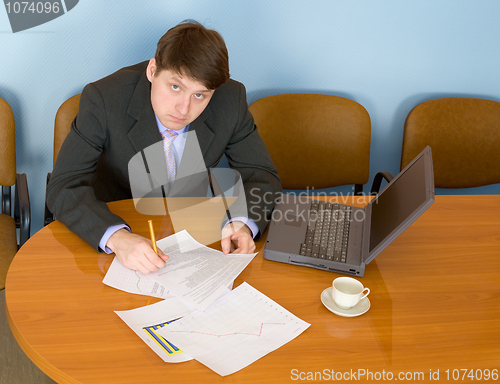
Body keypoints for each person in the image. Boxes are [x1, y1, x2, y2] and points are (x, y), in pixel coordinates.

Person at [47, 21, 281, 275]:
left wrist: (243, 223)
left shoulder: (231, 100)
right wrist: (117, 238)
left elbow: (261, 174)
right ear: (152, 70)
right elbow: (64, 185)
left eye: (200, 95)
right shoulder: (103, 99)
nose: (184, 109)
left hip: (193, 234)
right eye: (175, 87)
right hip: (116, 234)